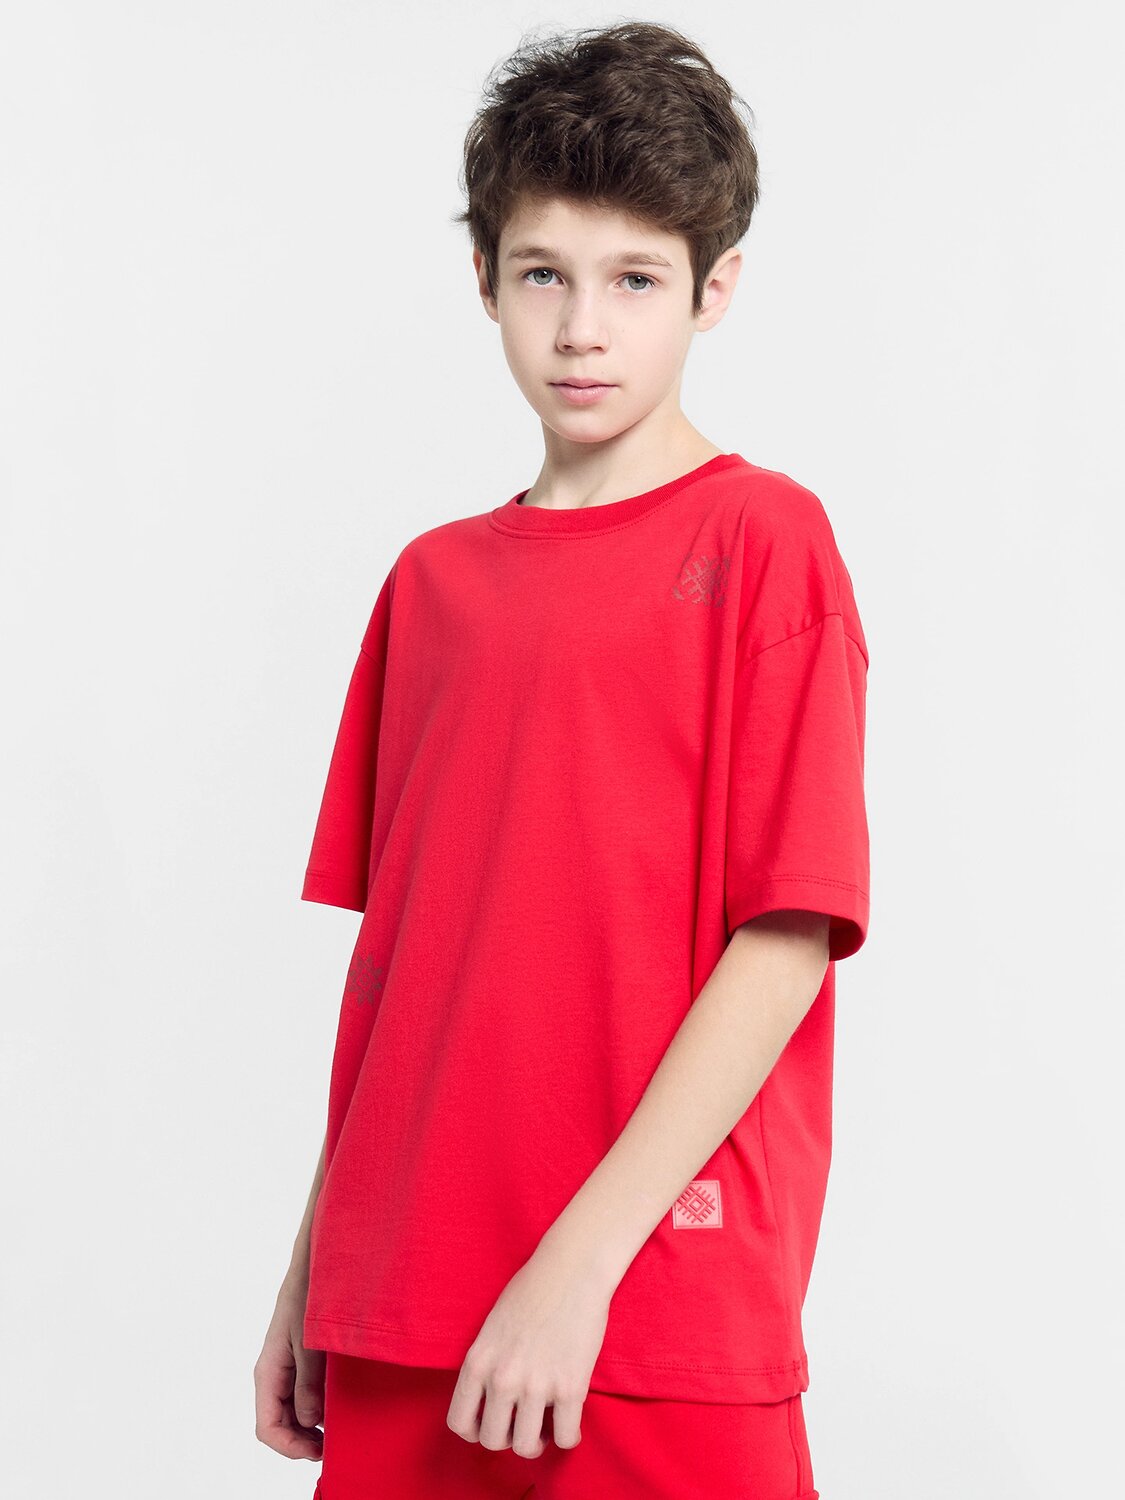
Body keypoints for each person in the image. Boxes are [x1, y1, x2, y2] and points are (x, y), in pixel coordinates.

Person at [254, 19, 870, 1500]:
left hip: (647, 1300)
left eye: (634, 280)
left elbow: (785, 937)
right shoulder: (432, 586)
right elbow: (403, 974)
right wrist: (312, 1271)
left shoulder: (763, 541)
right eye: (543, 275)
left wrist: (574, 1268)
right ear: (484, 279)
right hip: (405, 1294)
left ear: (714, 289)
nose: (583, 329)